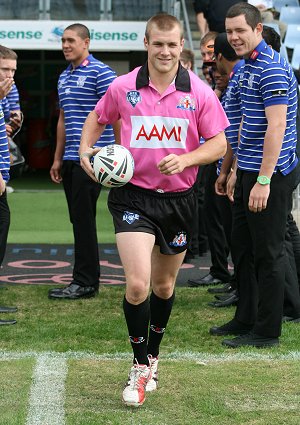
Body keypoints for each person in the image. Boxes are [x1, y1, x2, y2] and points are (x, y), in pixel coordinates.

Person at [79, 13, 229, 407]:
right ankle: (139, 365)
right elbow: (97, 120)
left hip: (178, 201)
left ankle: (154, 355)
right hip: (132, 198)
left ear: (183, 47)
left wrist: (187, 159)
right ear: (147, 43)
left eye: (172, 44)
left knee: (164, 287)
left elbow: (219, 144)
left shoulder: (198, 92)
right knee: (137, 285)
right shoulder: (123, 86)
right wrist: (84, 152)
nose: (165, 51)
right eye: (157, 43)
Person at [210, 2, 299, 348]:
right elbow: (237, 125)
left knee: (270, 252)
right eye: (229, 32)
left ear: (258, 30)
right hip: (246, 171)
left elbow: (275, 128)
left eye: (240, 31)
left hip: (270, 174)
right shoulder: (245, 68)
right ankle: (245, 317)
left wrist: (262, 180)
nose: (233, 38)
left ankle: (266, 330)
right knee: (243, 250)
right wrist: (228, 169)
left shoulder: (272, 68)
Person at [48, 23, 118, 300]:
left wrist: (118, 150)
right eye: (63, 41)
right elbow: (63, 120)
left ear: (86, 42)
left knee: (84, 220)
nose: (65, 45)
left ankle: (86, 282)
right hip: (70, 159)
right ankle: (84, 278)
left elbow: (119, 112)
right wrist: (56, 158)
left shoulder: (101, 72)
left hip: (93, 158)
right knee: (79, 219)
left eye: (71, 41)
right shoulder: (64, 76)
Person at [0, 45, 18, 325]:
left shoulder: (5, 92)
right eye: (4, 69)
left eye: (13, 70)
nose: (10, 76)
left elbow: (13, 119)